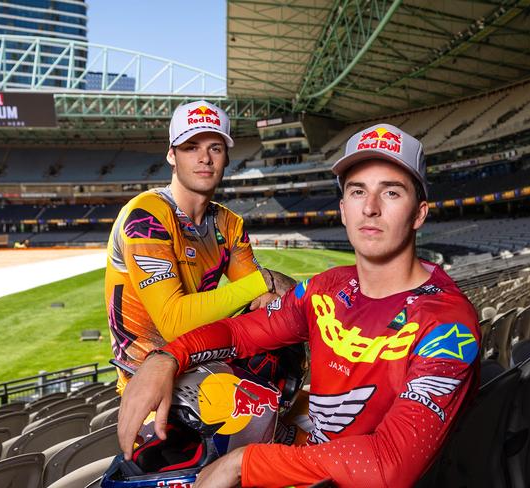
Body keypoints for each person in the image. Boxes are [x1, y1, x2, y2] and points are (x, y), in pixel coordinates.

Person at [117, 123, 481, 487]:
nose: (370, 208)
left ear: (418, 213)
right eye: (358, 191)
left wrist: (242, 463)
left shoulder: (448, 324)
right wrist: (166, 359)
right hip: (318, 466)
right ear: (342, 209)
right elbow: (239, 332)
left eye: (391, 193)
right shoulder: (323, 290)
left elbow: (390, 467)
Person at [105, 100, 294, 393]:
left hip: (202, 370)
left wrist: (265, 291)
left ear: (226, 158)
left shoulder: (228, 223)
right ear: (171, 155)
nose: (204, 158)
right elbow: (174, 321)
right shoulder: (146, 215)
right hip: (146, 385)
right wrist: (264, 279)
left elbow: (263, 299)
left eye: (215, 148)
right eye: (191, 147)